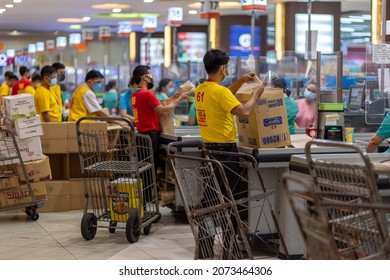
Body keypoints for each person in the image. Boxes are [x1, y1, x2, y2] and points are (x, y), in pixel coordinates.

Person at [194, 48, 264, 259]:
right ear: (224, 68)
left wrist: (242, 80)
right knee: (230, 200)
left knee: (209, 201)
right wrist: (255, 95)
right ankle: (229, 249)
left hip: (209, 151)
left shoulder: (202, 89)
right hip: (225, 153)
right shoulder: (220, 92)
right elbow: (244, 112)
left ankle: (205, 247)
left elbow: (225, 95)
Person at [131, 65, 188, 166]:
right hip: (150, 135)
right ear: (144, 77)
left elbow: (155, 107)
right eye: (150, 75)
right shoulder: (147, 93)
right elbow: (163, 111)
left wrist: (172, 98)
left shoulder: (135, 95)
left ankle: (145, 182)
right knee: (151, 166)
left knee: (144, 166)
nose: (152, 77)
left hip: (141, 134)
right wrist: (180, 99)